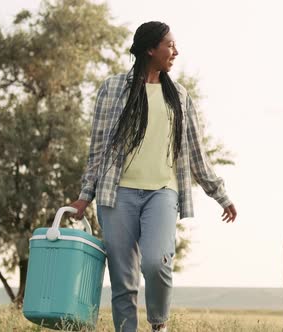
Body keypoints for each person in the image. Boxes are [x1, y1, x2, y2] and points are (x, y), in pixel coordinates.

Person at [69, 21, 237, 332]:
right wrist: (84, 196)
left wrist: (220, 195)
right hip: (115, 194)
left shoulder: (180, 96)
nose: (176, 51)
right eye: (170, 45)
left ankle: (159, 323)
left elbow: (196, 153)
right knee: (123, 278)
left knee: (156, 262)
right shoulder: (113, 88)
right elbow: (98, 147)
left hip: (162, 191)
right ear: (150, 49)